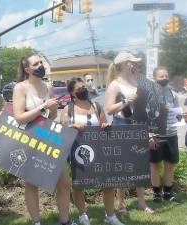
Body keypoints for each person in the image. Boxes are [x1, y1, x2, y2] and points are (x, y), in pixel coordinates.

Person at [13, 53, 76, 225]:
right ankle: (36, 222)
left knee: (63, 181)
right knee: (32, 182)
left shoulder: (48, 86)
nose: (40, 65)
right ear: (27, 69)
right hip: (30, 136)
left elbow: (51, 115)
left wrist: (53, 110)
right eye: (36, 64)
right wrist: (43, 107)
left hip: (49, 136)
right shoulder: (20, 87)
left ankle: (65, 221)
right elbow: (19, 117)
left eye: (41, 62)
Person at [60, 78, 124, 225]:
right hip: (78, 152)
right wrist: (73, 125)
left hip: (99, 149)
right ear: (72, 93)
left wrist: (106, 125)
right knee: (79, 184)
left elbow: (103, 123)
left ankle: (110, 216)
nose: (83, 89)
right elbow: (62, 130)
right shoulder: (67, 109)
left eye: (84, 87)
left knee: (108, 182)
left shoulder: (96, 106)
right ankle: (83, 215)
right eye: (79, 88)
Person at [104, 52, 154, 214]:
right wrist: (126, 101)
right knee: (122, 166)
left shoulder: (136, 81)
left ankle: (141, 203)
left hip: (137, 125)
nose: (135, 65)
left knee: (139, 165)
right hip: (122, 125)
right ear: (125, 64)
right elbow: (109, 109)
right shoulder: (115, 85)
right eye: (132, 62)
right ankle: (121, 204)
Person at [149, 67, 180, 203]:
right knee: (154, 165)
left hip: (172, 134)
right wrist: (149, 135)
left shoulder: (173, 94)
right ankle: (156, 194)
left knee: (170, 165)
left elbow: (177, 113)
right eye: (161, 76)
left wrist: (180, 115)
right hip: (156, 135)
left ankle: (168, 193)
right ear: (155, 78)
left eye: (166, 76)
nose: (164, 78)